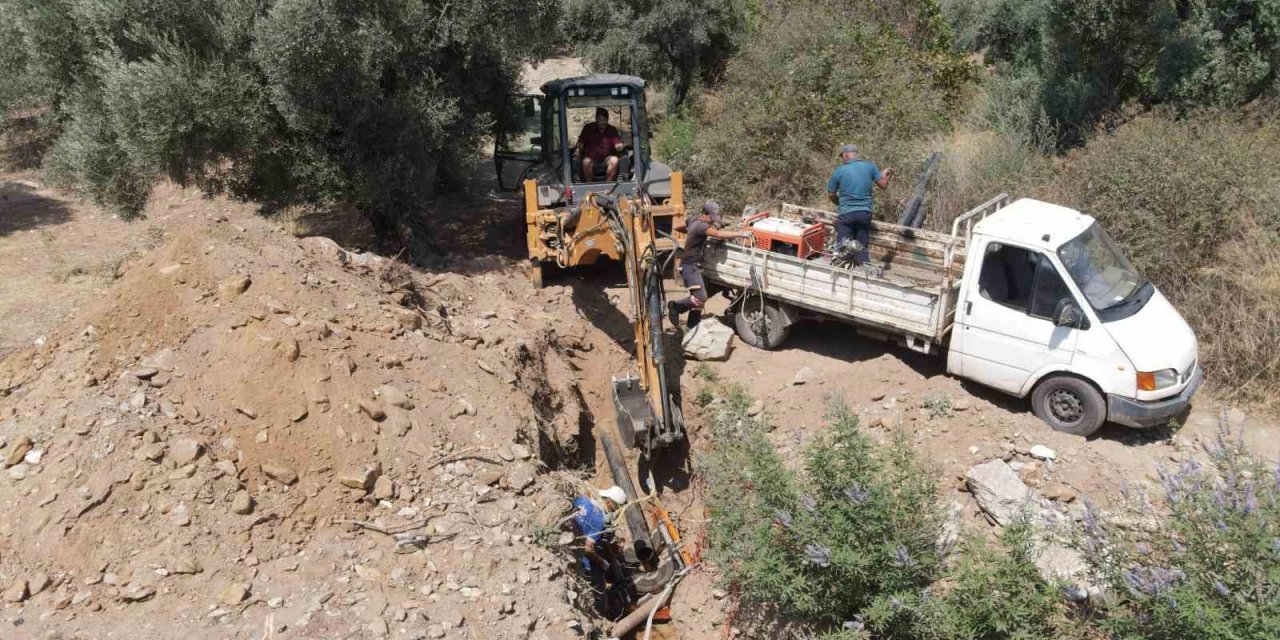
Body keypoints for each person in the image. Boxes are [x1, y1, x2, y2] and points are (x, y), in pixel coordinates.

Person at [668, 201, 752, 329]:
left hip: (691, 265)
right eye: (712, 219)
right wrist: (741, 234)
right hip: (690, 266)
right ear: (705, 215)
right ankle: (676, 306)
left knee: (699, 298)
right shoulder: (702, 226)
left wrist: (690, 232)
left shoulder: (693, 219)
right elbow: (718, 234)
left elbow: (676, 227)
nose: (713, 222)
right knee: (701, 297)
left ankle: (693, 326)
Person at [826, 144, 890, 265]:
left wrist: (840, 204)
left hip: (846, 215)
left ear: (845, 155)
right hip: (864, 213)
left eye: (842, 157)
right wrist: (884, 175)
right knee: (862, 245)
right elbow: (883, 185)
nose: (842, 159)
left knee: (843, 246)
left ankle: (840, 268)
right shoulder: (870, 167)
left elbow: (831, 194)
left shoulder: (840, 171)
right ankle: (864, 268)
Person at [572, 486, 629, 617]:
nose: (614, 511)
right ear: (609, 502)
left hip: (569, 549)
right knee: (599, 590)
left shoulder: (582, 499)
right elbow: (587, 548)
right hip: (582, 561)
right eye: (615, 508)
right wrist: (603, 562)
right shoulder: (599, 520)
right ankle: (602, 617)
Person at [573, 107, 626, 182]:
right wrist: (578, 148)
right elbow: (581, 142)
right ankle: (590, 185)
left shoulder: (612, 130)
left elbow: (617, 143)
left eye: (605, 120)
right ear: (596, 119)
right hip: (591, 159)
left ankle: (608, 185)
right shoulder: (588, 128)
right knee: (586, 161)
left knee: (614, 160)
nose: (604, 122)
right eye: (601, 120)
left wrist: (619, 146)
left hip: (606, 159)